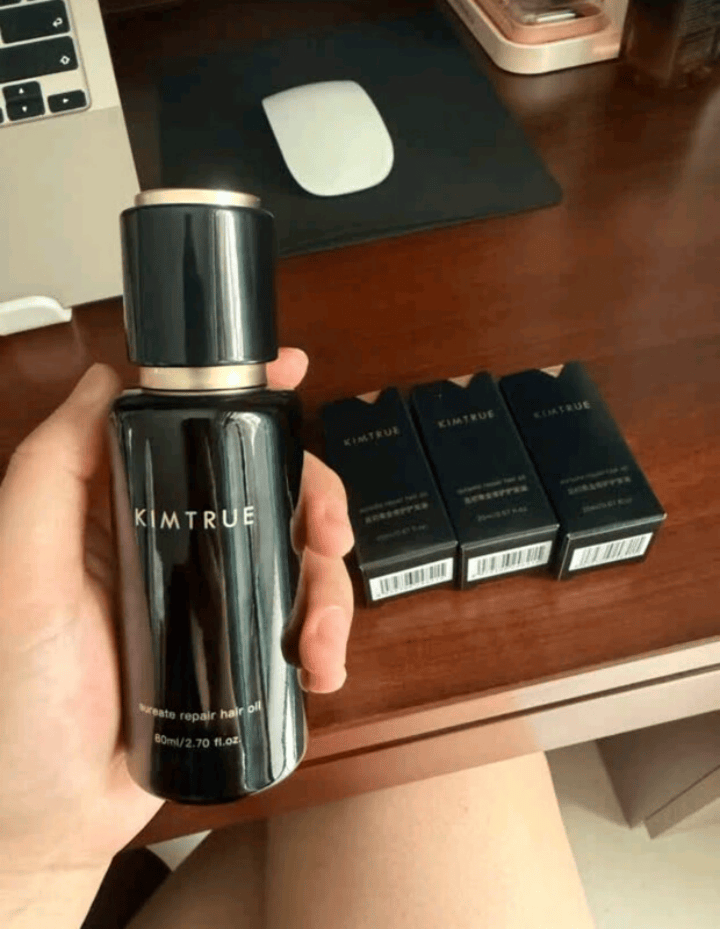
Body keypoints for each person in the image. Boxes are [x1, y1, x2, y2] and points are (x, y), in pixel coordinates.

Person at [0, 354, 595, 929]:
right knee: (447, 760)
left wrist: (25, 862)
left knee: (419, 761)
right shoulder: (138, 417)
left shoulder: (230, 415)